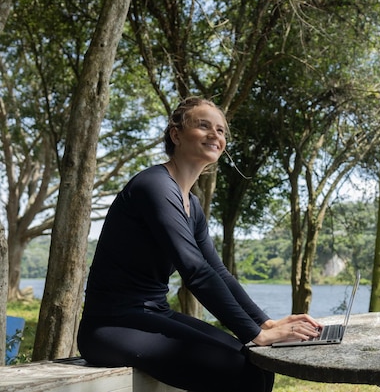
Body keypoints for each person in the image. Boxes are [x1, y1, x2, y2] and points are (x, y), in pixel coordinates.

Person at [77, 97, 322, 392]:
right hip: (112, 325)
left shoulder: (191, 203)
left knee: (256, 363)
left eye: (220, 131)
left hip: (153, 314)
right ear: (176, 134)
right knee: (241, 370)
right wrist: (254, 333)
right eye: (203, 126)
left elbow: (217, 270)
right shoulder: (153, 186)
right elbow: (194, 270)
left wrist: (265, 324)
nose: (215, 135)